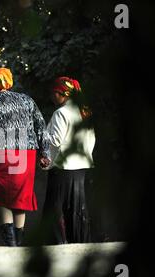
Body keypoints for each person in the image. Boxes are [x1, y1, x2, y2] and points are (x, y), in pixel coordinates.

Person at [0, 68, 50, 247]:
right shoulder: (27, 100)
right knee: (20, 196)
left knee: (1, 197)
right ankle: (20, 240)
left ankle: (10, 243)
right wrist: (45, 153)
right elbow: (41, 126)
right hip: (27, 155)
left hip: (3, 155)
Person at [42, 76, 96, 245]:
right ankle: (79, 243)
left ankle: (55, 246)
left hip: (62, 169)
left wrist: (40, 134)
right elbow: (92, 139)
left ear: (63, 93)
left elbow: (55, 140)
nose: (52, 96)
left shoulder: (61, 113)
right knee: (77, 209)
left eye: (54, 93)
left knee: (54, 210)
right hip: (81, 167)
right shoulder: (85, 112)